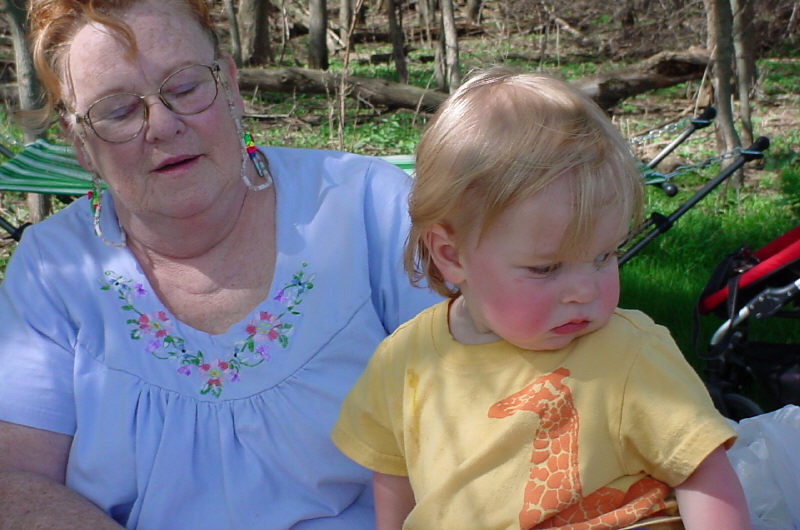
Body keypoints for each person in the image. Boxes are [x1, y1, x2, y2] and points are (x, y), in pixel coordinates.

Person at [0, 0, 440, 527]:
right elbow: (17, 479)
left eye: (185, 87)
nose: (163, 125)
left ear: (229, 84)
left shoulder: (369, 209)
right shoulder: (51, 270)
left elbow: (486, 400)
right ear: (79, 142)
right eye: (117, 111)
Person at [331, 67, 752, 529]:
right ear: (451, 255)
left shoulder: (629, 352)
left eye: (604, 256)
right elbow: (393, 475)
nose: (585, 290)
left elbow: (703, 472)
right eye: (546, 268)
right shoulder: (404, 362)